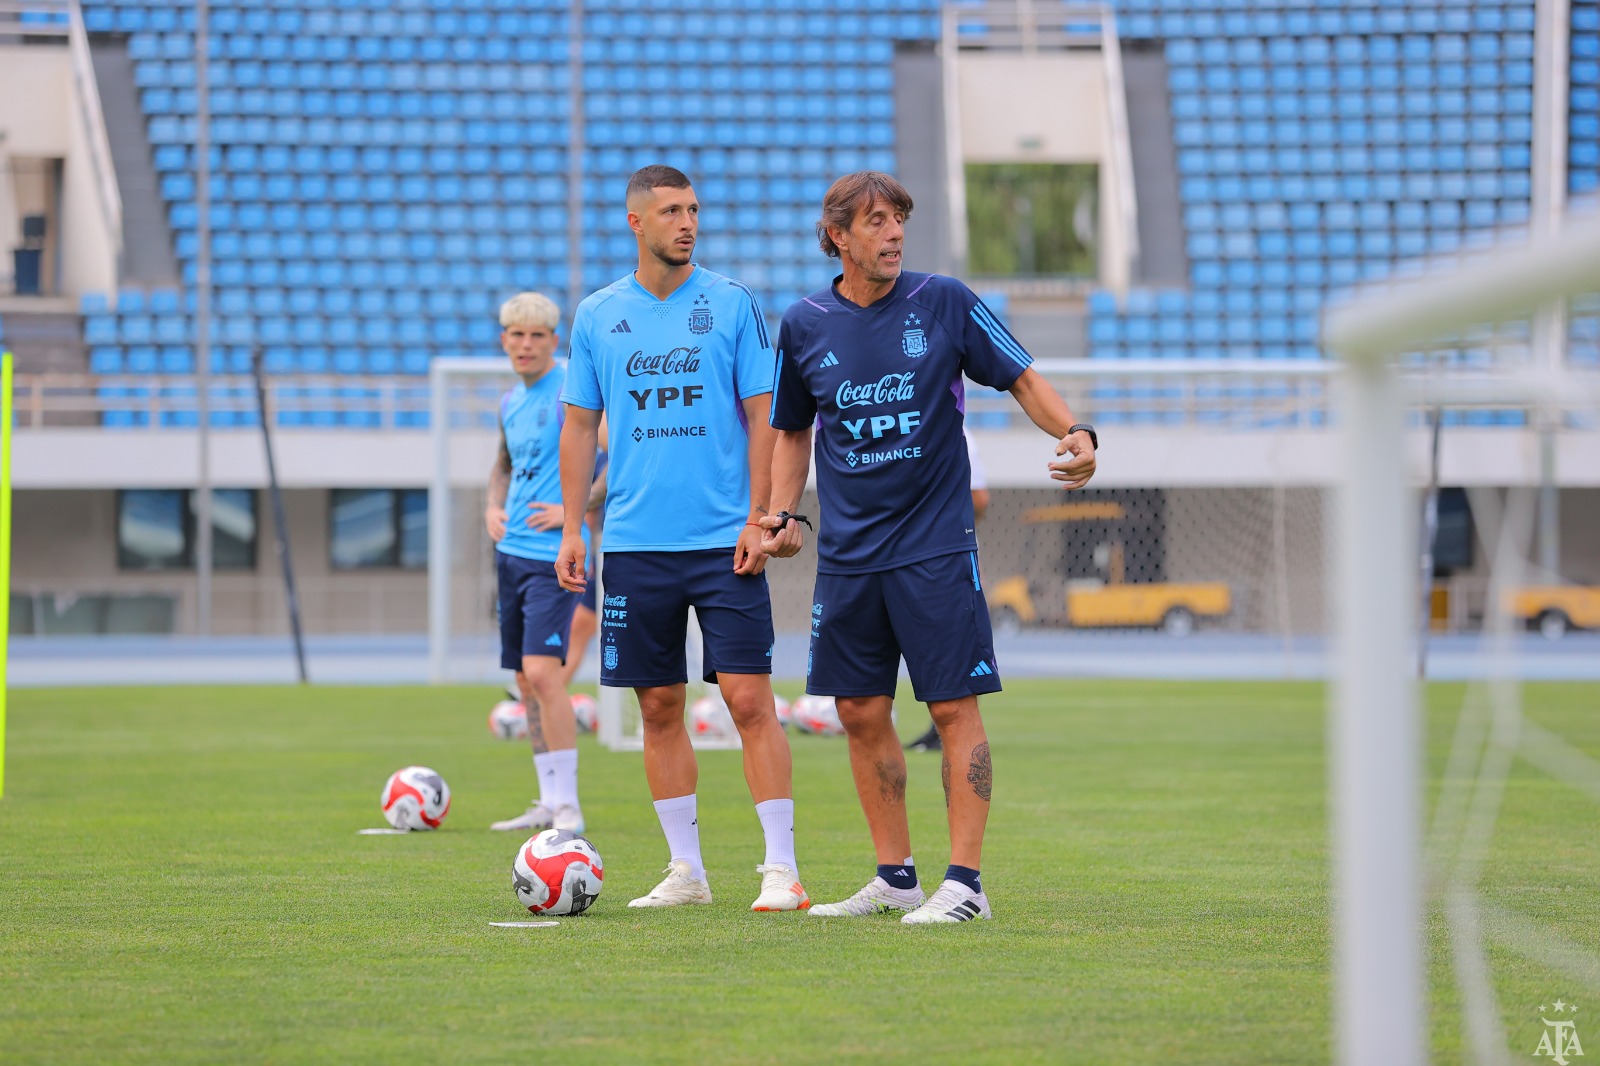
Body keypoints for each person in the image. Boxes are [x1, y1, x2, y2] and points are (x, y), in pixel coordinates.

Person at [762, 171, 1096, 924]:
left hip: (935, 548)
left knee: (951, 709)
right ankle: (895, 876)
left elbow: (1024, 378)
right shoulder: (804, 323)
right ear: (839, 236)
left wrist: (1076, 431)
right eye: (876, 221)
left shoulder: (943, 301)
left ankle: (966, 885)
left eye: (900, 220)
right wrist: (780, 516)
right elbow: (792, 431)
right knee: (858, 710)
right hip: (848, 556)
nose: (893, 234)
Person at [555, 164, 810, 912]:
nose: (687, 222)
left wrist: (760, 514)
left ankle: (780, 869)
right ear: (637, 222)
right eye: (671, 211)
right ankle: (686, 872)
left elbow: (767, 413)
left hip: (723, 539)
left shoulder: (731, 304)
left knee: (748, 699)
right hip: (633, 543)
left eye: (693, 209)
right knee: (658, 706)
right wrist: (574, 525)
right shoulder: (598, 314)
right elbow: (578, 425)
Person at [485, 291, 594, 835]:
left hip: (557, 557)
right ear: (504, 341)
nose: (525, 345)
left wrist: (574, 509)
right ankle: (548, 799)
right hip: (511, 557)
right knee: (526, 682)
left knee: (544, 675)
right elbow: (502, 463)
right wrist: (490, 505)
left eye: (537, 336)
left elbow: (619, 454)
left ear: (554, 342)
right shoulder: (509, 402)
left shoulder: (570, 388)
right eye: (516, 335)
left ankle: (569, 804)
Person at [905, 426, 988, 754]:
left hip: (941, 555)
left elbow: (979, 497)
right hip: (929, 553)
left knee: (945, 652)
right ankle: (939, 729)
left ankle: (943, 730)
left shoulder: (961, 431)